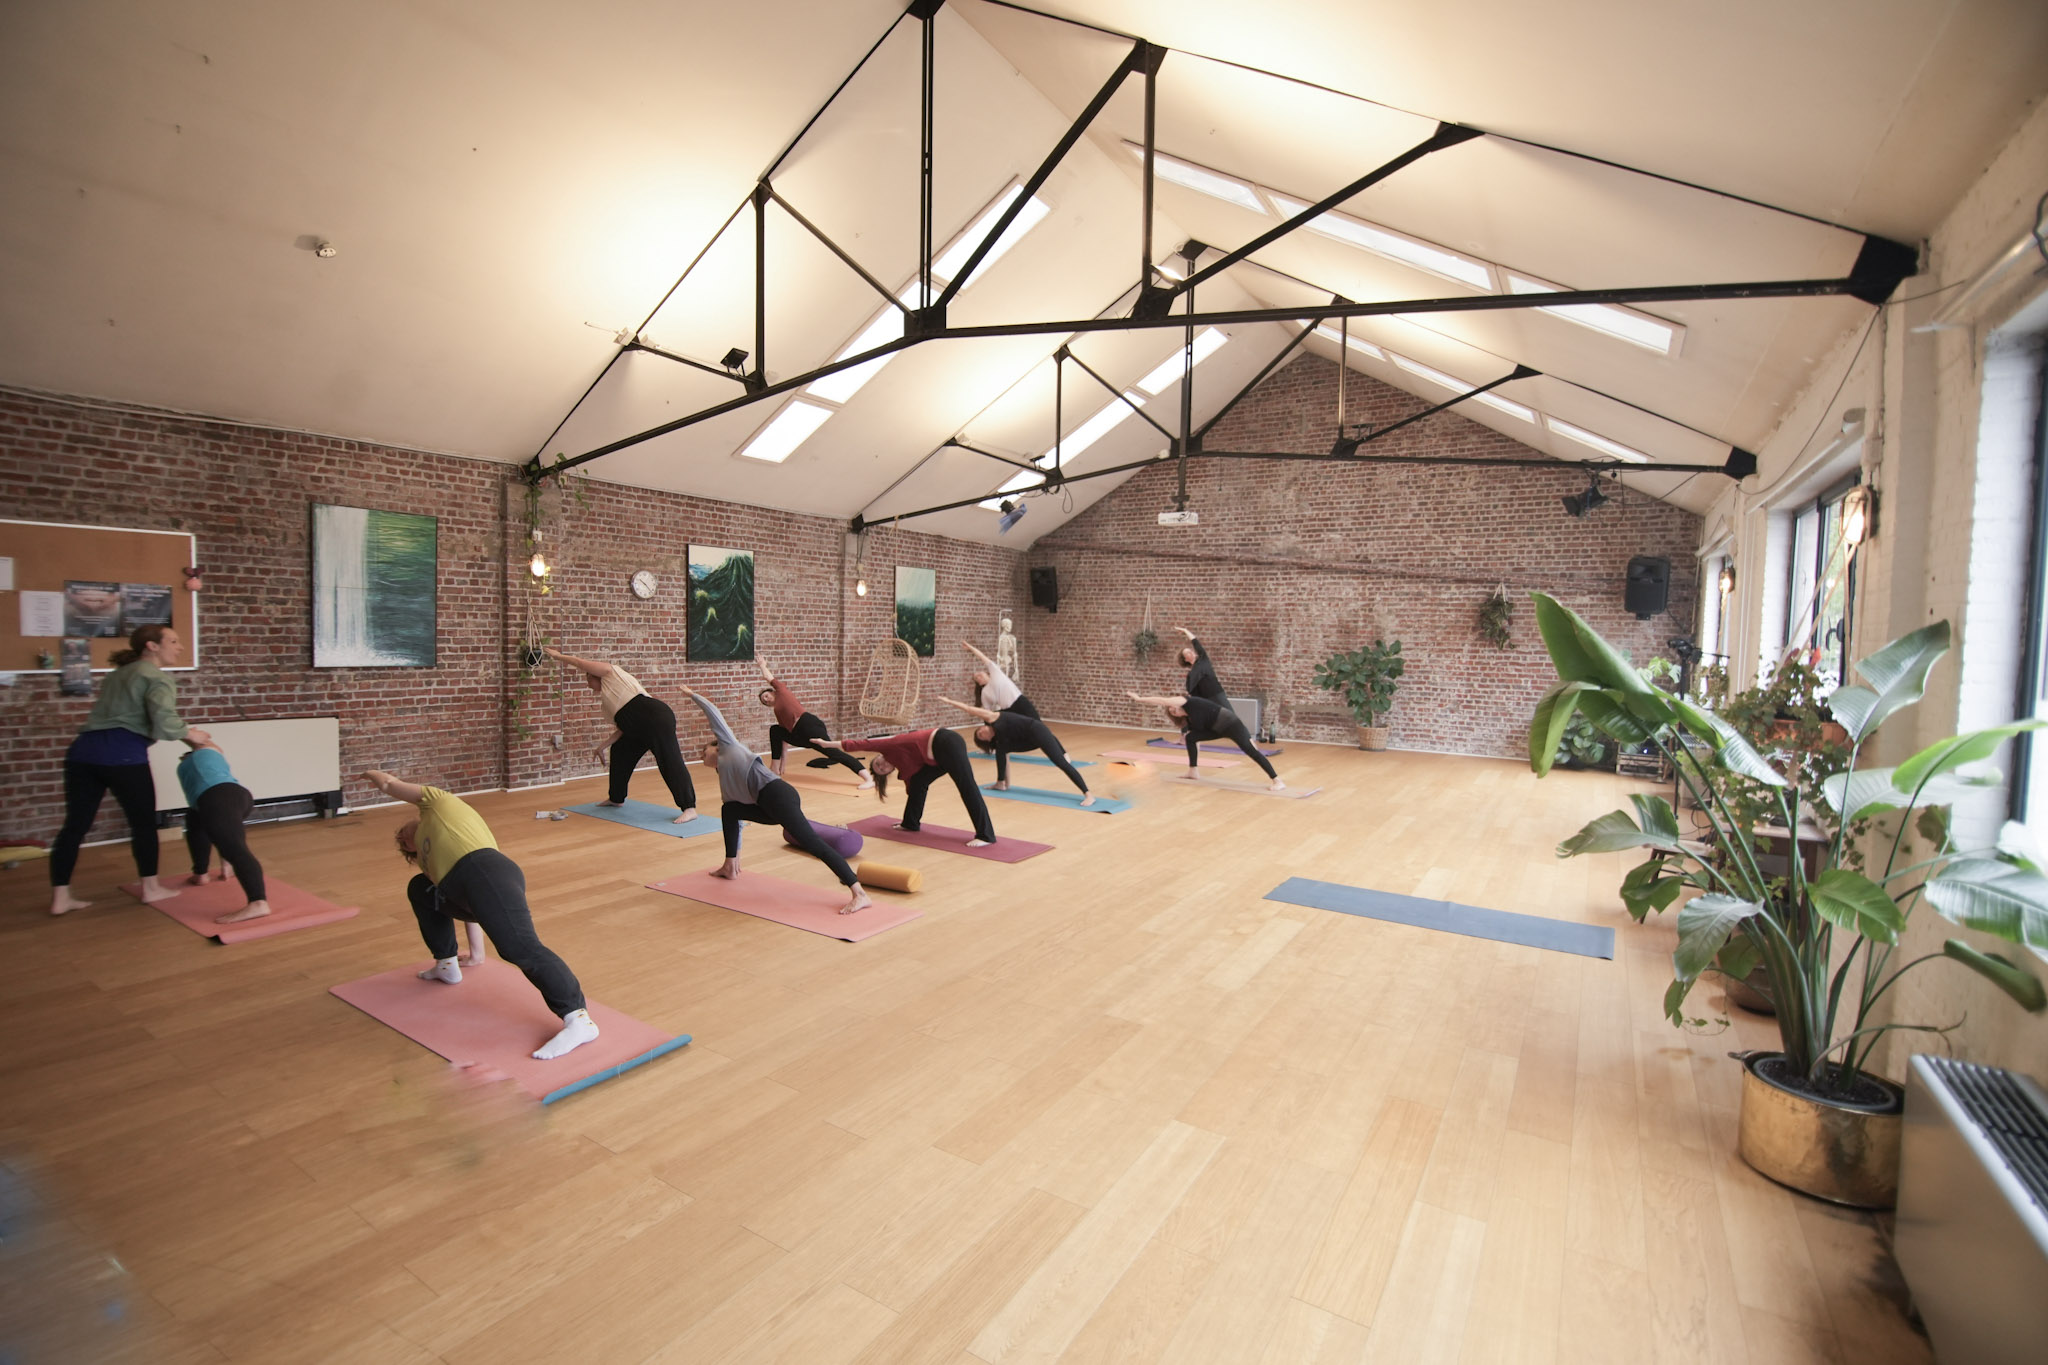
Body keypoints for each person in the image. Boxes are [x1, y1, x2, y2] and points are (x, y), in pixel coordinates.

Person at [362, 769, 597, 1060]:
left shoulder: (436, 805)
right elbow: (466, 908)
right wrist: (476, 954)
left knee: (519, 947)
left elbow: (389, 784)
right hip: (466, 889)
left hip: (485, 870)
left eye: (401, 832)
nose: (400, 837)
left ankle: (578, 1018)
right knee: (419, 889)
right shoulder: (429, 861)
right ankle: (447, 964)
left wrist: (368, 772)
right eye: (401, 844)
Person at [49, 624, 211, 915]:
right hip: (122, 755)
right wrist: (192, 734)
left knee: (75, 826)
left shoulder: (118, 674)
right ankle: (151, 888)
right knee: (143, 824)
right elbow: (164, 721)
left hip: (82, 753)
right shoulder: (157, 677)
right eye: (173, 641)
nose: (180, 647)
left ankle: (61, 897)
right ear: (152, 646)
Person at [679, 684, 872, 914]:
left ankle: (859, 892)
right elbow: (735, 820)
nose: (702, 755)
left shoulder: (730, 747)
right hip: (766, 804)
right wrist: (736, 853)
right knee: (729, 810)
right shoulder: (725, 777)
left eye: (705, 751)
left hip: (778, 795)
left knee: (813, 843)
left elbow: (714, 714)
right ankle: (730, 866)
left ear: (717, 746)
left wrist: (693, 695)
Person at [543, 646, 697, 823]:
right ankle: (616, 798)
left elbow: (580, 663)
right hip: (638, 726)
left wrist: (559, 656)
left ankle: (689, 807)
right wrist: (602, 746)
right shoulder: (609, 701)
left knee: (668, 759)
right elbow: (624, 728)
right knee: (620, 751)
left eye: (588, 679)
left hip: (655, 718)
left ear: (595, 676)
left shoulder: (612, 675)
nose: (587, 684)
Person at [841, 725, 999, 846]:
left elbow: (863, 744)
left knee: (967, 786)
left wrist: (831, 744)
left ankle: (986, 835)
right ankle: (910, 823)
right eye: (882, 770)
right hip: (939, 754)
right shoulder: (905, 767)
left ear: (880, 756)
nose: (882, 766)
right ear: (890, 771)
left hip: (947, 742)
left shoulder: (890, 745)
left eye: (878, 763)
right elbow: (912, 787)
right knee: (919, 781)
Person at [175, 739, 271, 925]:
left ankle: (258, 902)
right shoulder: (203, 763)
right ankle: (201, 873)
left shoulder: (201, 755)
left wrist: (188, 734)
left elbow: (203, 742)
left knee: (234, 848)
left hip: (220, 797)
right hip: (234, 796)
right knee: (196, 820)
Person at [939, 692, 1095, 806]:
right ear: (986, 740)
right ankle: (1001, 783)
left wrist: (949, 701)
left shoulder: (993, 717)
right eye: (980, 735)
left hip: (1038, 731)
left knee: (1060, 763)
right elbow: (1004, 757)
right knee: (1001, 749)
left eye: (980, 730)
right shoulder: (1000, 739)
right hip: (1029, 740)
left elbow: (968, 709)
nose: (982, 730)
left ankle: (1088, 794)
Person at [1127, 690, 1285, 791]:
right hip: (1217, 729)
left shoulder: (1186, 701)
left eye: (1172, 707)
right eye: (1172, 712)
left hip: (1231, 724)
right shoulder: (1190, 720)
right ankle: (1193, 771)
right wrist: (1194, 757)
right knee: (1190, 738)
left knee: (1251, 752)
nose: (1173, 710)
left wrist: (1140, 699)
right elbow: (1196, 742)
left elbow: (1163, 700)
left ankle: (1277, 780)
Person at [754, 658, 870, 787]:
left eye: (766, 696)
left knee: (834, 754)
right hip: (800, 735)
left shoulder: (781, 691)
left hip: (809, 725)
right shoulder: (778, 711)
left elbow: (768, 677)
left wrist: (762, 665)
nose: (766, 700)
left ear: (773, 692)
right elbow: (783, 740)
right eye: (764, 702)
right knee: (775, 730)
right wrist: (783, 765)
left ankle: (868, 778)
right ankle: (774, 769)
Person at [961, 639, 1021, 712]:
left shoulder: (995, 673)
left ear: (987, 673)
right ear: (980, 683)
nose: (979, 675)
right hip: (1008, 709)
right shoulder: (985, 692)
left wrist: (971, 648)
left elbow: (982, 657)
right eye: (977, 678)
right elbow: (987, 711)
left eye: (979, 673)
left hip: (1019, 701)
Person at [1175, 627, 1229, 705]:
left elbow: (1195, 642)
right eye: (1187, 653)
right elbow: (1192, 693)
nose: (1191, 652)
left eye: (1190, 650)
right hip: (1206, 701)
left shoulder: (1202, 660)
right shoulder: (1190, 675)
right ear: (1186, 659)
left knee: (1227, 712)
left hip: (1217, 694)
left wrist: (1186, 631)